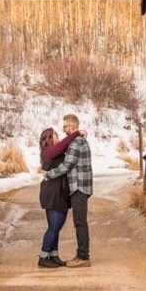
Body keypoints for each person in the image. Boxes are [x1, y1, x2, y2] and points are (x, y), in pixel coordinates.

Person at [41, 113, 92, 266]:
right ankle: (76, 255)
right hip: (74, 188)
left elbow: (66, 165)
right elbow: (61, 150)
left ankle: (83, 257)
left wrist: (49, 174)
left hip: (79, 187)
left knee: (80, 223)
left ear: (72, 126)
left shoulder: (76, 142)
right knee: (74, 223)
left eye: (65, 127)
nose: (63, 130)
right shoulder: (74, 141)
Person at [36, 127, 75, 268]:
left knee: (56, 227)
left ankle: (53, 255)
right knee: (54, 227)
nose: (58, 137)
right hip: (52, 193)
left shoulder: (54, 152)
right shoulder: (50, 151)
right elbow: (65, 143)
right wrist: (77, 133)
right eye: (56, 135)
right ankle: (43, 257)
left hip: (59, 192)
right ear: (49, 139)